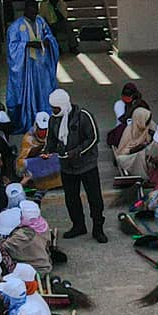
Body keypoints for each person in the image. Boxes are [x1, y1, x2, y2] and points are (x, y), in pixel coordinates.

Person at [45, 88, 104, 242]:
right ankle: (78, 225)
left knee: (94, 198)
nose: (54, 111)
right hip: (67, 167)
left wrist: (77, 151)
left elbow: (93, 138)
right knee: (71, 198)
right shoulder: (54, 120)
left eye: (56, 108)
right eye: (52, 108)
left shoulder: (84, 116)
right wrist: (47, 151)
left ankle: (98, 228)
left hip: (87, 165)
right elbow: (51, 139)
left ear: (64, 105)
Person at [5, 0, 60, 129]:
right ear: (26, 9)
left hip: (42, 65)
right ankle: (29, 118)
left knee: (45, 91)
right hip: (26, 66)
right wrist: (27, 44)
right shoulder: (16, 26)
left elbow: (49, 35)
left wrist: (48, 40)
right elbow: (12, 47)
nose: (35, 12)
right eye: (32, 9)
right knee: (29, 92)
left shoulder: (41, 21)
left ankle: (46, 118)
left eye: (36, 10)